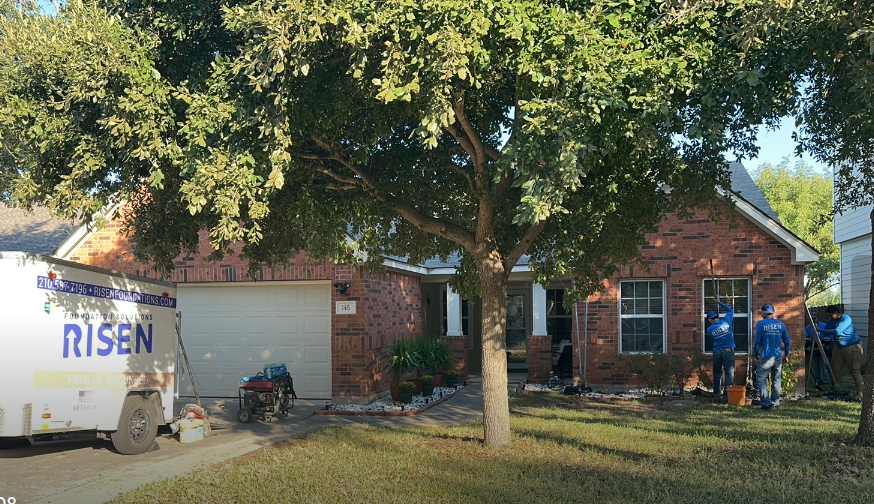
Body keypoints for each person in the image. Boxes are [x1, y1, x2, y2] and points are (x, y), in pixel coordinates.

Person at [819, 305, 863, 399]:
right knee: (835, 368)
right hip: (838, 347)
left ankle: (861, 393)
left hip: (852, 347)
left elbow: (837, 332)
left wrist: (820, 330)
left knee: (854, 370)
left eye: (831, 315)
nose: (830, 317)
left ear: (837, 313)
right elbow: (824, 332)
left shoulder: (846, 319)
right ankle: (837, 390)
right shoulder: (831, 321)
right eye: (829, 315)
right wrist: (818, 337)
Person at [754, 304, 791, 410]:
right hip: (778, 356)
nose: (761, 314)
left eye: (762, 312)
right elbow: (787, 341)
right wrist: (786, 354)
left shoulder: (761, 323)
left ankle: (766, 403)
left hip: (766, 355)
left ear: (765, 313)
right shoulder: (781, 325)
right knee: (777, 380)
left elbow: (757, 341)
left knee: (761, 380)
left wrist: (755, 353)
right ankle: (775, 403)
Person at [706, 300, 735, 402]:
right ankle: (727, 395)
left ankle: (717, 393)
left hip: (717, 351)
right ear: (717, 317)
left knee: (717, 372)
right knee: (729, 373)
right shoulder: (726, 321)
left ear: (710, 319)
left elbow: (712, 340)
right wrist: (719, 302)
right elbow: (730, 310)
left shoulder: (709, 329)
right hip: (728, 350)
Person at [805, 314, 831, 390]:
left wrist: (821, 338)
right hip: (814, 348)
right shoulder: (808, 328)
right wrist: (811, 339)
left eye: (814, 318)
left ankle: (826, 380)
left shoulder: (824, 325)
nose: (813, 320)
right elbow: (806, 337)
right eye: (811, 319)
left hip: (824, 348)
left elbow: (829, 336)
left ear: (818, 318)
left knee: (824, 365)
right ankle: (818, 380)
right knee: (816, 366)